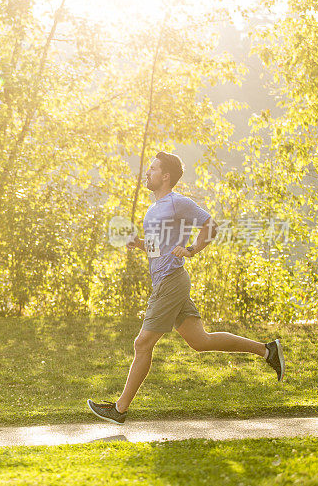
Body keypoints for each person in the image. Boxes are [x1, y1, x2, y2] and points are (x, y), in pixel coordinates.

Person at [87, 151, 284, 424]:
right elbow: (159, 247)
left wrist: (191, 249)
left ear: (166, 176)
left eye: (153, 169)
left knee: (142, 343)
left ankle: (119, 410)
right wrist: (139, 243)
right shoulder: (155, 208)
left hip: (171, 280)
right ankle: (267, 350)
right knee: (200, 341)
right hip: (167, 280)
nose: (148, 172)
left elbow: (211, 225)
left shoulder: (177, 202)